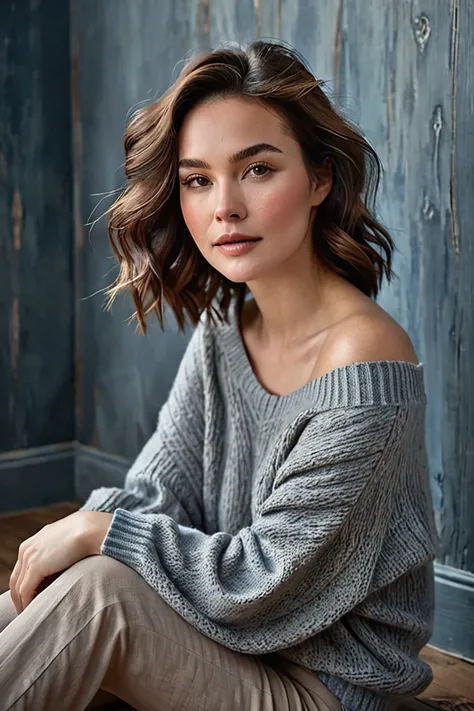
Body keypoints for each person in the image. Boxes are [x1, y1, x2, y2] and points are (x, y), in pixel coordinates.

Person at [0, 39, 438, 711]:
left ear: (320, 179)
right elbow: (155, 491)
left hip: (326, 690)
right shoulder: (226, 329)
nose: (223, 206)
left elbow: (260, 582)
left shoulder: (367, 363)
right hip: (233, 648)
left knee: (99, 591)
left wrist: (95, 529)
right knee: (72, 577)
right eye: (197, 179)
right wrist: (91, 533)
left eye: (257, 170)